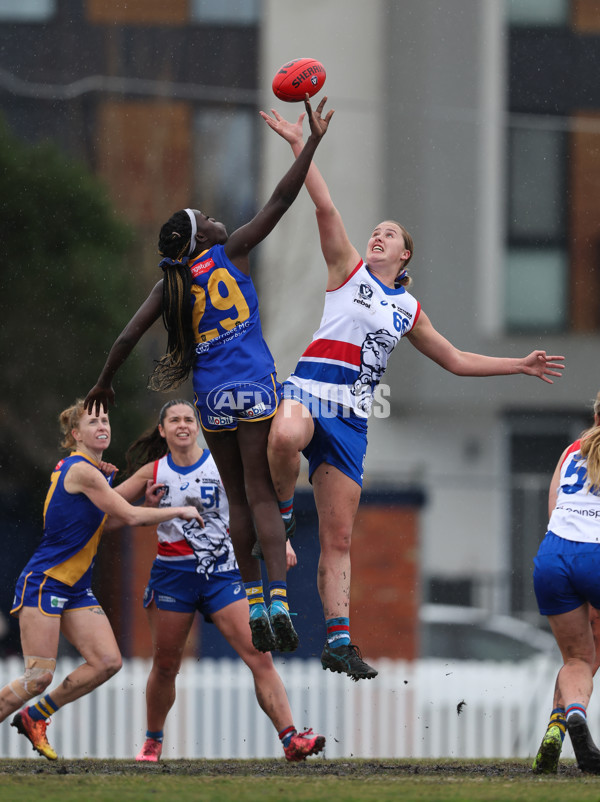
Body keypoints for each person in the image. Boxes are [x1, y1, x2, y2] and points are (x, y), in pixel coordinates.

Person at [259, 103, 566, 681]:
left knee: (342, 537)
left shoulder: (408, 309)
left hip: (351, 418)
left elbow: (455, 359)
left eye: (389, 235)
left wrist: (518, 366)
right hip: (308, 392)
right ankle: (277, 515)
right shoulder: (345, 270)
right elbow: (322, 204)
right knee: (288, 432)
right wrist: (304, 145)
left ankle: (339, 642)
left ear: (405, 257)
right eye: (376, 231)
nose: (376, 236)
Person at [84, 96, 334, 657]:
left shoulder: (169, 285)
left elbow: (126, 338)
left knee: (239, 501)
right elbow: (282, 198)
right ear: (202, 238)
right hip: (256, 386)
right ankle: (279, 601)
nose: (218, 220)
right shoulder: (234, 250)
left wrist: (104, 382)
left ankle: (252, 598)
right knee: (266, 495)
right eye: (208, 220)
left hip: (214, 397)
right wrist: (311, 142)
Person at [113, 399, 325, 762]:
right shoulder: (154, 472)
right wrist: (145, 510)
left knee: (261, 657)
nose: (183, 425)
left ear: (198, 427)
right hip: (173, 577)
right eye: (174, 420)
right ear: (162, 430)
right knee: (166, 666)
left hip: (223, 575)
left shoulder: (221, 464)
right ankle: (153, 741)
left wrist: (282, 540)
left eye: (188, 419)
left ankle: (291, 739)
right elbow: (110, 516)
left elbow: (259, 503)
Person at [0, 400, 202, 760]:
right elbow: (126, 513)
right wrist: (177, 510)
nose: (102, 426)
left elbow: (105, 522)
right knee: (38, 676)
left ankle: (34, 717)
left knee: (107, 662)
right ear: (76, 434)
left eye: (105, 419)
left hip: (75, 588)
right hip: (46, 581)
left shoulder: (97, 473)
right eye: (93, 422)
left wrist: (146, 503)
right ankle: (32, 708)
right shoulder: (84, 471)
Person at [532, 390, 600, 775]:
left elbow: (554, 510)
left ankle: (567, 717)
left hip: (554, 556)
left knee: (578, 658)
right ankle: (563, 719)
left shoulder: (572, 449)